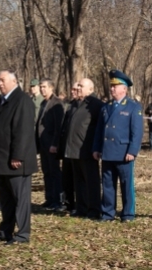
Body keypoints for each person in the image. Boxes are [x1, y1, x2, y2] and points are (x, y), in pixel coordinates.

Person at [0, 69, 38, 245]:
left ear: (14, 81)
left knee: (20, 199)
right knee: (6, 199)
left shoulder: (21, 100)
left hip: (15, 161)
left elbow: (23, 131)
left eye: (3, 80)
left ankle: (23, 233)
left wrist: (18, 156)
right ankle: (5, 230)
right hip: (1, 160)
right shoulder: (3, 101)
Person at [93, 69, 143, 223]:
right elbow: (99, 130)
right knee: (108, 184)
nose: (112, 88)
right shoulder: (106, 107)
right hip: (107, 152)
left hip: (123, 152)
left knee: (126, 184)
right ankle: (108, 212)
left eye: (116, 86)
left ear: (124, 89)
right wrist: (96, 148)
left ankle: (128, 213)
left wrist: (132, 151)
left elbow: (137, 132)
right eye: (111, 86)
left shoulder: (133, 107)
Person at [63, 78, 103, 219]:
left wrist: (97, 148)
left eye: (81, 86)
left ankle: (94, 210)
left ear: (91, 89)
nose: (78, 87)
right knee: (78, 182)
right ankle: (81, 208)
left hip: (87, 150)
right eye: (78, 85)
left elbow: (100, 128)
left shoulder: (96, 105)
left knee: (91, 182)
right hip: (73, 149)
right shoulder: (75, 104)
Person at [35, 78, 65, 211]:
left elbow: (59, 126)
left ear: (51, 88)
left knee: (55, 172)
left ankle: (58, 200)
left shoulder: (56, 103)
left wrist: (55, 144)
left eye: (44, 87)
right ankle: (49, 198)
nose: (42, 89)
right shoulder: (43, 103)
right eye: (41, 87)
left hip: (52, 145)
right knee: (46, 172)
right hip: (43, 144)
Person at [57, 82, 79, 213]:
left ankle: (77, 204)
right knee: (67, 178)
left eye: (76, 89)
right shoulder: (70, 105)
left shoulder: (84, 106)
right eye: (72, 89)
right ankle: (68, 203)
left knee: (77, 179)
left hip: (77, 149)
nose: (73, 92)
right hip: (66, 147)